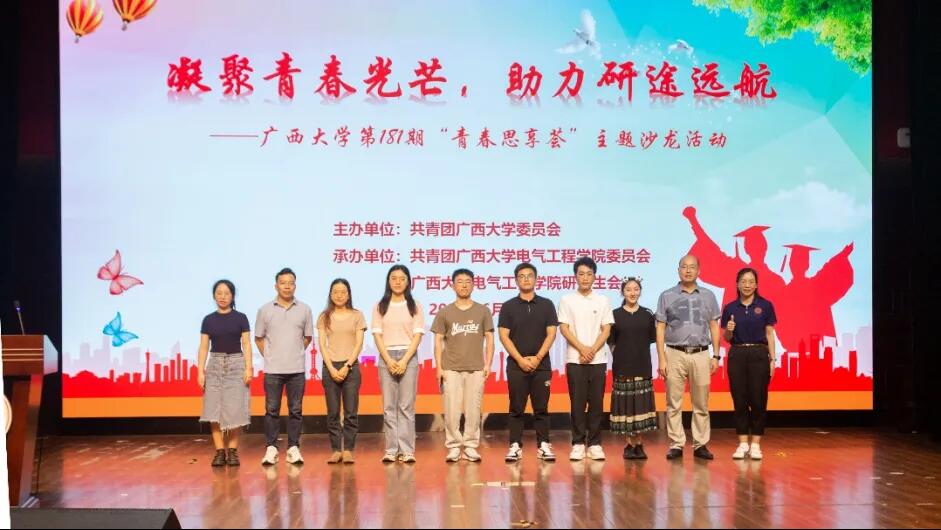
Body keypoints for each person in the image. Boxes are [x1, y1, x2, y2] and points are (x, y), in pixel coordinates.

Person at [656, 255, 721, 461]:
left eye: (692, 267)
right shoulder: (667, 295)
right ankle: (676, 444)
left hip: (701, 353)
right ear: (678, 270)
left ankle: (700, 444)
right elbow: (660, 328)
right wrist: (662, 358)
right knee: (673, 402)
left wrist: (716, 355)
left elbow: (714, 326)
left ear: (699, 271)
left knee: (701, 402)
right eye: (684, 267)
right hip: (674, 353)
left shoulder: (708, 296)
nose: (688, 270)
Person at [433, 269, 495, 463]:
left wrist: (488, 364)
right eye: (460, 281)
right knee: (451, 410)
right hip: (450, 368)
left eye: (468, 281)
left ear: (473, 285)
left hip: (476, 368)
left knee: (473, 409)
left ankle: (470, 446)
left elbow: (490, 339)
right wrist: (438, 367)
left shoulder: (483, 311)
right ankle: (453, 446)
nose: (464, 285)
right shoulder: (445, 312)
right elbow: (438, 341)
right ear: (453, 286)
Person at [499, 262, 558, 462]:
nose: (526, 279)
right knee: (516, 408)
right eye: (522, 276)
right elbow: (504, 336)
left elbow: (551, 333)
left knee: (541, 408)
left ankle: (544, 445)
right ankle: (515, 445)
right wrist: (520, 359)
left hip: (542, 365)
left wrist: (538, 357)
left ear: (536, 279)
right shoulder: (508, 306)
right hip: (516, 365)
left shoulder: (547, 304)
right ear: (516, 280)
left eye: (530, 275)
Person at [255, 267, 314, 466]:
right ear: (276, 286)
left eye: (291, 283)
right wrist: (270, 356)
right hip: (273, 370)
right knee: (272, 410)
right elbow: (258, 338)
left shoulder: (305, 309)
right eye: (283, 283)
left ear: (295, 286)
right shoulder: (265, 310)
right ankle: (271, 448)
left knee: (295, 410)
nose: (287, 286)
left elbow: (307, 337)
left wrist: (295, 352)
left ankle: (293, 448)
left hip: (296, 369)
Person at [558, 257, 614, 462]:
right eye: (581, 274)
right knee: (577, 404)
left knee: (597, 404)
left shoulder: (603, 300)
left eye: (589, 274)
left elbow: (606, 329)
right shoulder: (567, 300)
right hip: (575, 359)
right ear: (575, 276)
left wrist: (592, 349)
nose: (585, 278)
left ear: (594, 277)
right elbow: (564, 328)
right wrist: (582, 348)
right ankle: (578, 443)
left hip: (598, 360)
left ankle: (595, 444)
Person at [722, 268, 777, 460]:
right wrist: (729, 330)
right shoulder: (730, 308)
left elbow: (769, 334)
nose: (747, 285)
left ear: (756, 284)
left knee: (758, 400)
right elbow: (727, 338)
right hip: (737, 353)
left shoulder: (765, 305)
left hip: (759, 354)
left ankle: (755, 445)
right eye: (743, 281)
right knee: (739, 400)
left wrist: (773, 359)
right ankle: (742, 443)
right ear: (737, 284)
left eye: (751, 281)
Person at [371, 265, 425, 464]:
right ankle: (391, 449)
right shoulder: (380, 306)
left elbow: (418, 335)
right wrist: (388, 359)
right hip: (386, 356)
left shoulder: (415, 306)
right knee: (389, 407)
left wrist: (404, 360)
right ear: (388, 281)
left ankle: (407, 450)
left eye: (402, 278)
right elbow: (377, 335)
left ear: (408, 281)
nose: (398, 282)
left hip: (408, 357)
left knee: (406, 407)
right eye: (394, 278)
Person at [198, 279, 253, 467]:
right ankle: (219, 451)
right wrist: (200, 371)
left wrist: (249, 368)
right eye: (219, 293)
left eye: (227, 293)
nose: (223, 296)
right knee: (213, 410)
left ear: (233, 296)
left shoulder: (241, 318)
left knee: (235, 410)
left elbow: (246, 344)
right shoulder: (208, 320)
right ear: (214, 296)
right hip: (214, 365)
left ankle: (233, 451)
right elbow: (203, 347)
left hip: (236, 365)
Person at [317, 278, 366, 464]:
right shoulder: (324, 316)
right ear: (330, 294)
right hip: (330, 367)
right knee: (333, 412)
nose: (339, 295)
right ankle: (336, 449)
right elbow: (322, 345)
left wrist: (347, 366)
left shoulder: (357, 315)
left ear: (349, 294)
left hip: (351, 367)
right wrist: (331, 368)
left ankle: (349, 450)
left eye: (343, 292)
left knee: (351, 412)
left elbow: (359, 343)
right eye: (336, 292)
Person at [608, 277, 658, 460]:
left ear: (640, 291)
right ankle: (629, 444)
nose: (632, 292)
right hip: (622, 366)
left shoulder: (647, 314)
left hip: (642, 365)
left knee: (640, 407)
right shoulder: (614, 314)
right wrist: (621, 355)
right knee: (627, 408)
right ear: (622, 292)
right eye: (628, 289)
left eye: (636, 289)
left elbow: (652, 338)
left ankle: (639, 444)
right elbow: (611, 342)